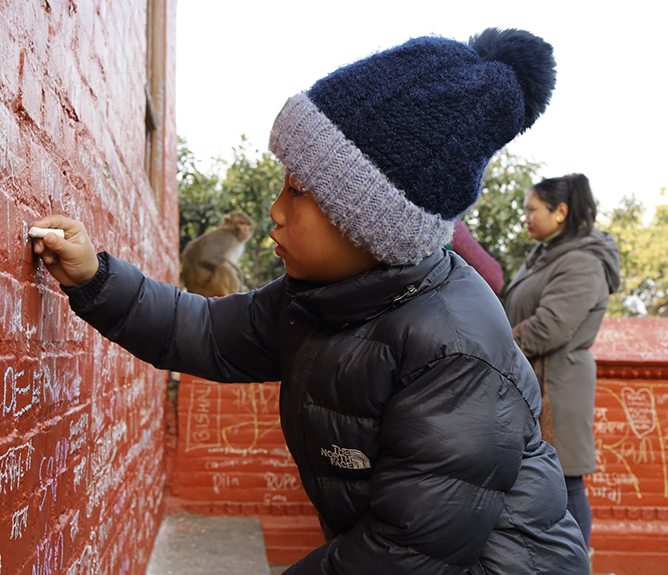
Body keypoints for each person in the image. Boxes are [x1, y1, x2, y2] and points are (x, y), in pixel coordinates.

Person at [31, 28, 590, 574]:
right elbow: (203, 330)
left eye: (296, 192)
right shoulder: (321, 299)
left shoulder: (455, 352)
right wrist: (94, 278)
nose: (274, 210)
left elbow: (405, 553)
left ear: (370, 220)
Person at [503, 173, 621, 549]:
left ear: (560, 212)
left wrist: (496, 348)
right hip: (536, 384)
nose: (525, 218)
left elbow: (549, 328)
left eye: (531, 209)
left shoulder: (582, 261)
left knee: (565, 483)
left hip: (558, 390)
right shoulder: (546, 257)